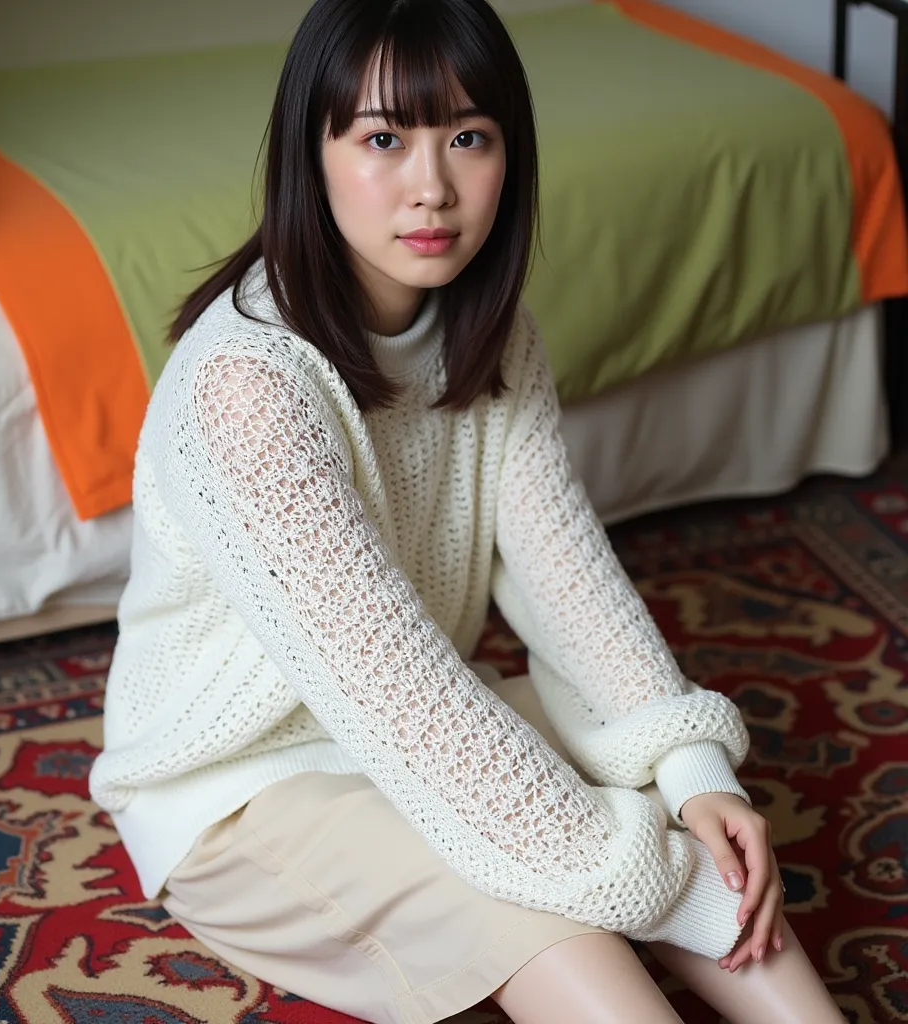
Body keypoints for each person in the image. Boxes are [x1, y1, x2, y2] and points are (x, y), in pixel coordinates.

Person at [88, 0, 847, 1020]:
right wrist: (659, 882)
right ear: (311, 154)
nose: (432, 186)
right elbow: (400, 703)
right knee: (580, 920)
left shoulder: (491, 332)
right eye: (384, 138)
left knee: (692, 835)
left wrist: (691, 771)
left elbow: (567, 578)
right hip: (245, 789)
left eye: (469, 137)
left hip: (415, 712)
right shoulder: (248, 385)